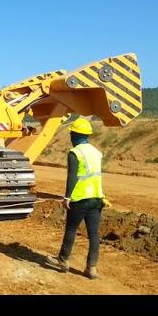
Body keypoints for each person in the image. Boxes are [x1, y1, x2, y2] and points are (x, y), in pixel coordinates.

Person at [46, 118, 109, 280]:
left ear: (75, 135)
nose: (71, 137)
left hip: (80, 199)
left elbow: (72, 177)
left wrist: (67, 197)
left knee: (71, 229)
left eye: (71, 134)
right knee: (94, 234)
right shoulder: (97, 152)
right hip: (97, 198)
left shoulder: (75, 153)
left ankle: (63, 261)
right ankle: (91, 268)